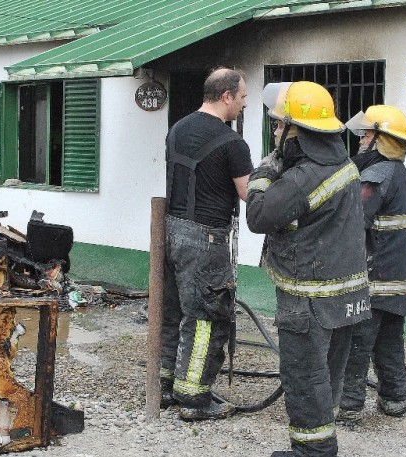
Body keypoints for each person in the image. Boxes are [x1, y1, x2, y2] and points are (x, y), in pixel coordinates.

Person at [247, 81, 370, 457]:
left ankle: (313, 452)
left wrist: (264, 172)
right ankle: (318, 442)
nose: (275, 131)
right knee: (327, 378)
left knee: (303, 378)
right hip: (347, 299)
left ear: (296, 130)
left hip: (308, 299)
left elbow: (258, 215)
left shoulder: (302, 178)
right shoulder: (343, 163)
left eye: (279, 125)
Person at [160, 67, 252, 421]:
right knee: (206, 318)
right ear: (226, 96)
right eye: (242, 97)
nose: (244, 104)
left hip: (169, 231)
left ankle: (167, 385)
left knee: (174, 313)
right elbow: (248, 194)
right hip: (206, 238)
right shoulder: (232, 143)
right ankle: (194, 397)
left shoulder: (177, 130)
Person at [336, 105, 406, 425]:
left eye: (367, 134)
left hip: (373, 281)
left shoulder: (377, 175)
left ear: (381, 140)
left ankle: (348, 407)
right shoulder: (400, 175)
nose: (360, 141)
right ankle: (394, 399)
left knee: (356, 343)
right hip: (395, 282)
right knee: (388, 342)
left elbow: (352, 222)